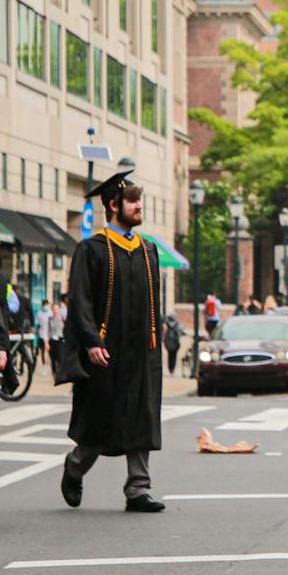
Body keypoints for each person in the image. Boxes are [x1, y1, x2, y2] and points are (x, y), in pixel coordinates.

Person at [55, 172, 168, 513]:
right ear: (113, 205)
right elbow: (80, 301)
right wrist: (90, 342)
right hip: (104, 350)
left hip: (142, 351)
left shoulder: (147, 251)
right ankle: (74, 468)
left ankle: (138, 489)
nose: (138, 207)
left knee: (142, 417)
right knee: (99, 421)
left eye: (139, 200)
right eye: (133, 201)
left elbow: (155, 304)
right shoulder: (91, 250)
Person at [48, 300, 66, 378]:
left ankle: (60, 373)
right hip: (52, 340)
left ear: (59, 309)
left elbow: (66, 330)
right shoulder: (50, 319)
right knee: (53, 358)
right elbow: (48, 330)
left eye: (56, 309)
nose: (55, 310)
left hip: (60, 339)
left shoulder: (63, 319)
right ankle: (54, 373)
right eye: (54, 309)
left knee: (60, 357)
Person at [163, 312, 183, 376]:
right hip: (175, 342)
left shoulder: (167, 323)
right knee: (174, 356)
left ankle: (170, 368)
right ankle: (172, 369)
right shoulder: (178, 324)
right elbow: (181, 332)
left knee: (170, 356)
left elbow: (164, 318)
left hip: (169, 342)